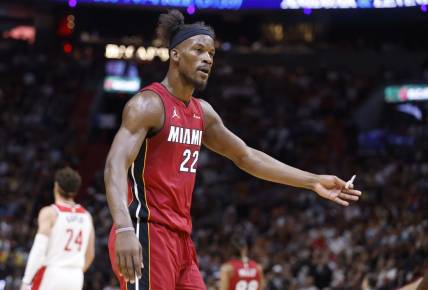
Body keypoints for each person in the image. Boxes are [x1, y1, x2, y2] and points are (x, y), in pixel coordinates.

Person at [104, 9, 362, 290]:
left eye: (212, 54)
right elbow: (114, 165)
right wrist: (124, 227)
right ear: (175, 54)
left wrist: (313, 181)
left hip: (181, 240)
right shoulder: (149, 105)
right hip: (146, 229)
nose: (207, 59)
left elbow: (247, 156)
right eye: (199, 50)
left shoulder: (203, 113)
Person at [20, 167, 95, 290]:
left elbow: (39, 249)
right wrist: (74, 272)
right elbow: (90, 254)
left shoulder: (50, 212)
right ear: (76, 190)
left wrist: (26, 281)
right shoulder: (87, 216)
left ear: (56, 186)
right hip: (75, 277)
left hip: (52, 273)